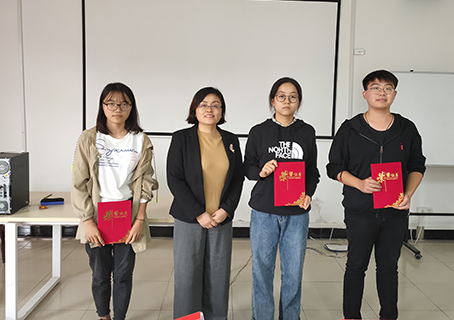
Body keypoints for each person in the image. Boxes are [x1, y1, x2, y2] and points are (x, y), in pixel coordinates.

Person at [326, 70, 426, 320]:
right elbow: (333, 168)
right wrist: (359, 184)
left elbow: (417, 166)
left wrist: (408, 193)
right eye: (375, 88)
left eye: (388, 88)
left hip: (394, 213)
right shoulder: (350, 129)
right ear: (365, 94)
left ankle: (388, 316)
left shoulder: (406, 129)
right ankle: (351, 316)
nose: (382, 93)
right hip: (360, 211)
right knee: (356, 266)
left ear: (394, 94)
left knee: (389, 267)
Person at [71, 82, 158, 320]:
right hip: (97, 214)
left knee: (123, 275)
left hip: (127, 214)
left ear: (132, 107)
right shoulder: (89, 138)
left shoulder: (140, 140)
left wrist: (139, 220)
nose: (117, 108)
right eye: (111, 103)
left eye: (124, 104)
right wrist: (87, 221)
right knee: (100, 274)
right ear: (102, 106)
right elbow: (79, 182)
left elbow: (146, 182)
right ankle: (104, 316)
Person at [244, 77, 320, 320]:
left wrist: (308, 194)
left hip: (296, 214)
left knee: (293, 274)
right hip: (264, 211)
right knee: (262, 272)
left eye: (293, 97)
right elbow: (247, 168)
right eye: (281, 96)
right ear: (272, 100)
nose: (287, 101)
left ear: (299, 101)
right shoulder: (258, 131)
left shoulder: (307, 132)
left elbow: (312, 172)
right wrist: (261, 171)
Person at [166, 87, 244, 320]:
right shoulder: (181, 138)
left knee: (218, 278)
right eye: (204, 104)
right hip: (190, 219)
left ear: (222, 111)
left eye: (216, 105)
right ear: (195, 109)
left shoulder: (230, 140)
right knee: (187, 277)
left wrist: (227, 209)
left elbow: (237, 178)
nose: (210, 109)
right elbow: (175, 179)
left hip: (220, 219)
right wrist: (199, 213)